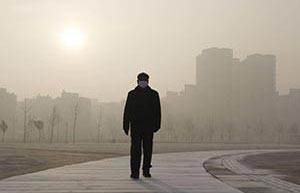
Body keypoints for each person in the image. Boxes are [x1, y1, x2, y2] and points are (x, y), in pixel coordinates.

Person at [123, 72, 161, 179]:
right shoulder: (132, 94)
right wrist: (126, 125)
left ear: (148, 81)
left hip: (149, 127)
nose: (143, 82)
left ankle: (146, 170)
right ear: (137, 81)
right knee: (135, 150)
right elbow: (127, 111)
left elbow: (157, 111)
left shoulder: (153, 94)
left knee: (148, 149)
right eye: (141, 80)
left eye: (145, 80)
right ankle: (134, 172)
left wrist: (157, 125)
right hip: (136, 126)